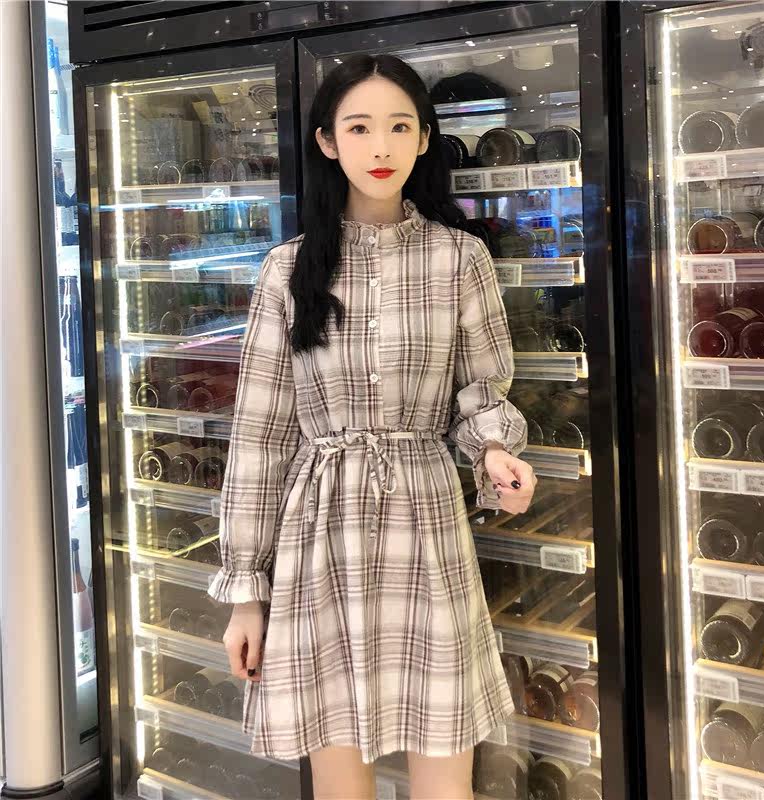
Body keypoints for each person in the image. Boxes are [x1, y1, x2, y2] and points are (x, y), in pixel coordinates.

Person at [207, 53, 536, 800]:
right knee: (338, 775)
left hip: (427, 519)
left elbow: (481, 392)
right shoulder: (288, 271)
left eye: (399, 127)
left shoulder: (461, 258)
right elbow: (260, 436)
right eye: (359, 128)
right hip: (319, 532)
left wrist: (495, 454)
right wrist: (247, 597)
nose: (380, 147)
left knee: (444, 766)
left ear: (424, 138)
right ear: (328, 141)